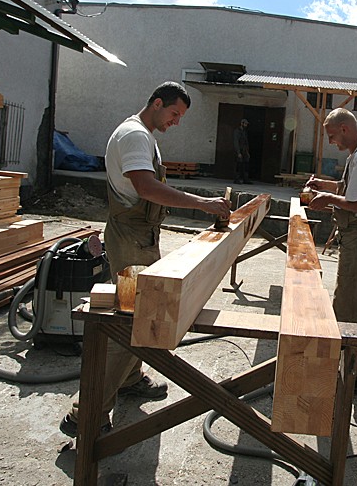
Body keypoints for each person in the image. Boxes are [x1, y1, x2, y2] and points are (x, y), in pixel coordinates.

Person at [60, 81, 231, 438]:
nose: (176, 122)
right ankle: (87, 413)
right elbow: (147, 188)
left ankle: (131, 378)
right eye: (174, 114)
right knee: (131, 323)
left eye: (180, 117)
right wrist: (202, 204)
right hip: (131, 239)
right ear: (156, 103)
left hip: (141, 235)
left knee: (141, 313)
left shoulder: (144, 134)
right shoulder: (135, 135)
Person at [305, 108, 357, 394]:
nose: (331, 143)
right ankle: (351, 366)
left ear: (344, 128)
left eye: (332, 136)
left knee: (350, 306)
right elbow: (348, 188)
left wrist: (327, 198)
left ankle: (353, 377)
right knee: (351, 301)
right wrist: (325, 185)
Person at [233, 118, 251, 184]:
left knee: (245, 166)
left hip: (244, 151)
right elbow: (236, 142)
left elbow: (246, 143)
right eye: (245, 124)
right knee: (238, 165)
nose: (246, 125)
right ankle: (236, 179)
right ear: (242, 123)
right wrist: (238, 152)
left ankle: (245, 179)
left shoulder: (244, 132)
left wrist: (247, 152)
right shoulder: (237, 131)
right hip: (240, 150)